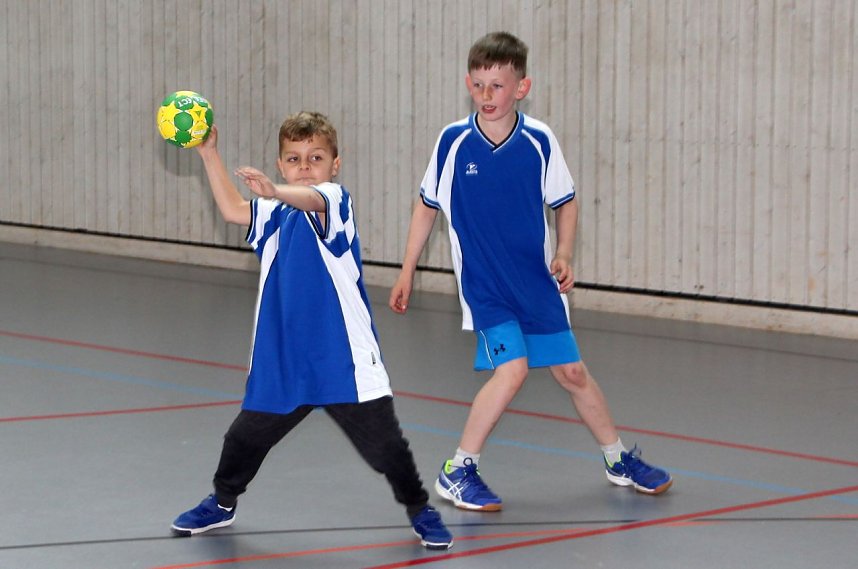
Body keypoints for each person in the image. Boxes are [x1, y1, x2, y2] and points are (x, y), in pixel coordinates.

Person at [388, 32, 672, 512]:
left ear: (522, 87)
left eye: (497, 86)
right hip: (486, 286)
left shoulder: (539, 140)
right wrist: (407, 269)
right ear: (468, 84)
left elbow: (565, 202)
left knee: (573, 372)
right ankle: (458, 470)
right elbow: (426, 206)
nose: (486, 95)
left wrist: (564, 253)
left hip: (536, 284)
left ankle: (617, 459)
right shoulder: (454, 141)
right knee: (513, 370)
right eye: (478, 85)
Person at [171, 111, 453, 550]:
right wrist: (210, 154)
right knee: (243, 439)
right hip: (286, 361)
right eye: (294, 159)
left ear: (334, 165)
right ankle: (222, 503)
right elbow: (232, 210)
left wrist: (275, 189)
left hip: (342, 360)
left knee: (386, 448)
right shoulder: (273, 215)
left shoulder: (335, 202)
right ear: (281, 163)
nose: (304, 167)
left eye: (315, 158)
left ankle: (420, 509)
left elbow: (312, 199)